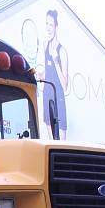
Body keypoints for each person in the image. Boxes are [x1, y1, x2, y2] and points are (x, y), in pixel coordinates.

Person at [39, 9, 69, 140]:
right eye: (46, 24)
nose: (48, 28)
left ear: (56, 26)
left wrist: (56, 61)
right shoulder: (45, 45)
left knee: (62, 143)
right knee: (51, 142)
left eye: (51, 25)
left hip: (58, 98)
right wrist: (40, 76)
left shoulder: (62, 51)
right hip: (47, 96)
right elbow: (48, 74)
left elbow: (65, 85)